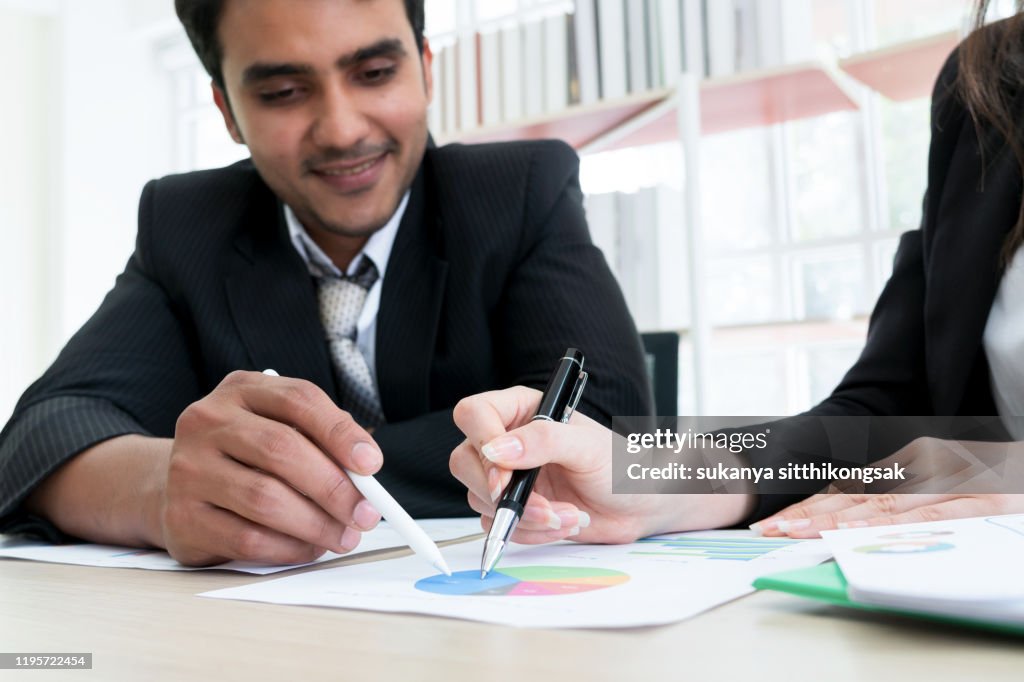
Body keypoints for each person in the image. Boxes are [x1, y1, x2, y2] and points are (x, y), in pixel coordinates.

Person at [0, 0, 652, 565]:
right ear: (226, 110)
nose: (342, 130)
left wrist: (287, 469)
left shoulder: (519, 191)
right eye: (283, 92)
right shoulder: (187, 224)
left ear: (427, 70)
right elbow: (42, 435)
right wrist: (159, 487)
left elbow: (607, 432)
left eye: (374, 73)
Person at [450, 5, 1024, 545]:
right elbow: (887, 409)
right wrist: (660, 481)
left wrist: (1009, 469)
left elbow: (968, 461)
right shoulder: (986, 78)